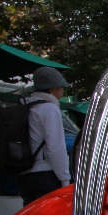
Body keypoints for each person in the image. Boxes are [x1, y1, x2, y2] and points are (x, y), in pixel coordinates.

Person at [18, 66, 72, 206]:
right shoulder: (49, 109)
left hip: (24, 174)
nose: (63, 91)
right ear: (53, 89)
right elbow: (55, 147)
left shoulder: (25, 106)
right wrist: (65, 179)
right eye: (62, 87)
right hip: (45, 174)